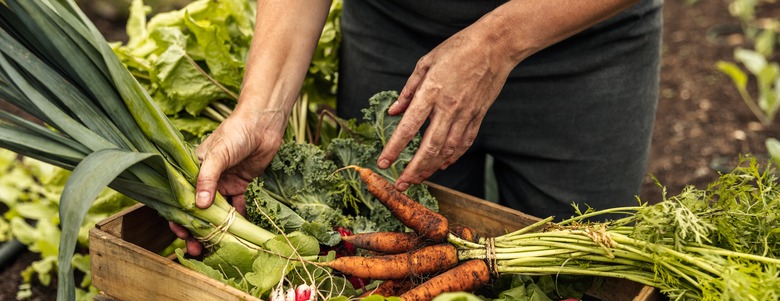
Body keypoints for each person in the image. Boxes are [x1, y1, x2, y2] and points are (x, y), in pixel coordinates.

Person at [171, 0, 664, 255]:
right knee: (393, 249)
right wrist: (263, 109)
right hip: (396, 35)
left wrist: (496, 42)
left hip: (583, 44)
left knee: (575, 279)